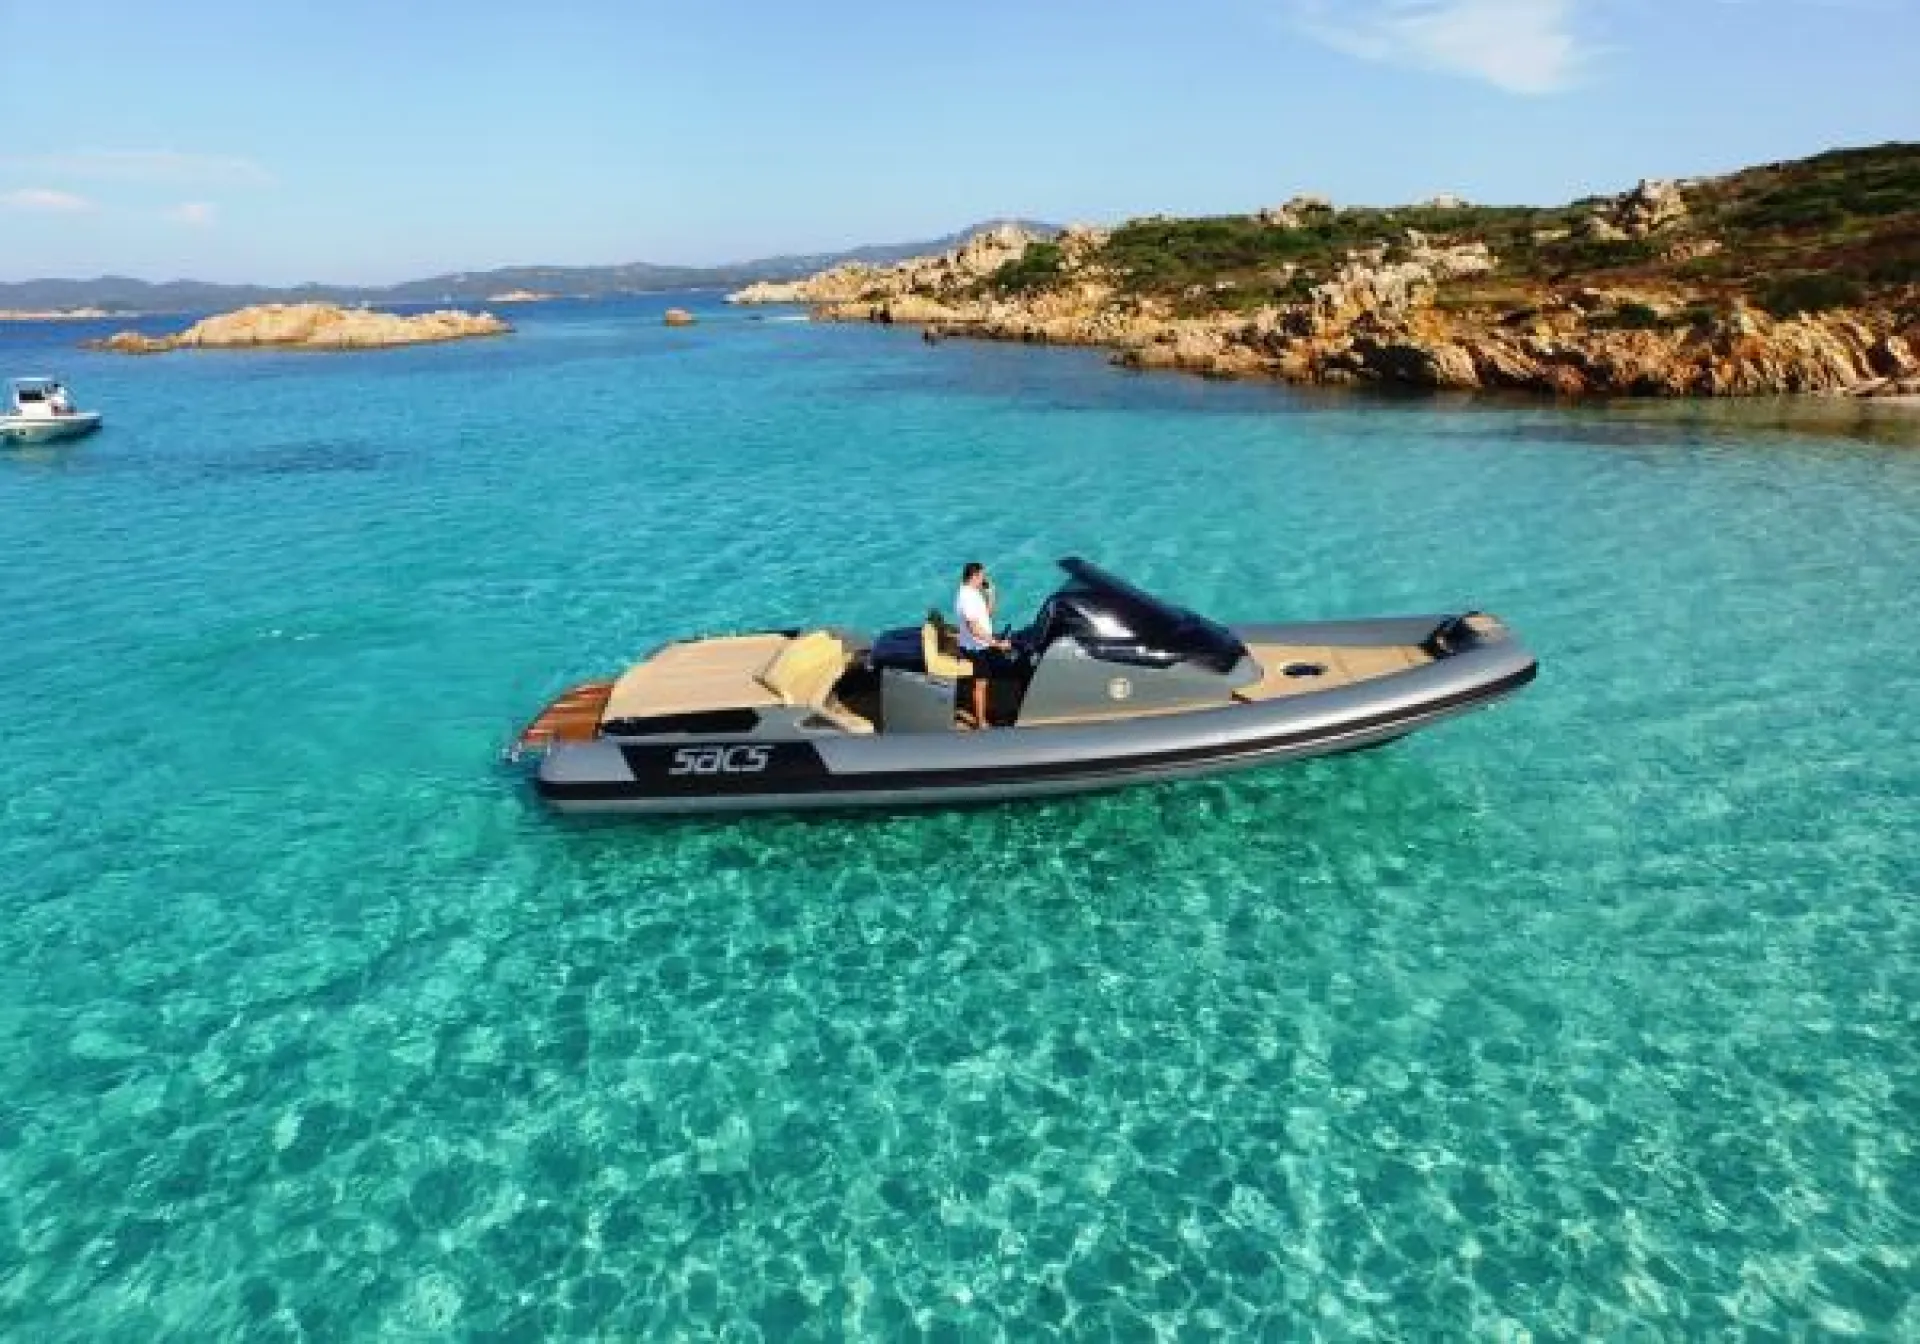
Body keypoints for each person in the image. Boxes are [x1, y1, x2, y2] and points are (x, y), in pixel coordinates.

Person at [954, 561, 1015, 728]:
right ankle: (981, 722)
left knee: (1001, 667)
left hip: (983, 643)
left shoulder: (974, 593)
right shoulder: (966, 598)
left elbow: (987, 616)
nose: (984, 579)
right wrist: (997, 644)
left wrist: (992, 594)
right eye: (982, 576)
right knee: (980, 684)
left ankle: (996, 708)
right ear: (974, 576)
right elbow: (974, 629)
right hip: (975, 649)